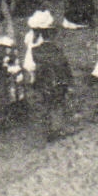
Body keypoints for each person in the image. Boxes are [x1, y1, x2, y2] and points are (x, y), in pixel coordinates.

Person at [26, 11, 71, 141]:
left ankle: (48, 128)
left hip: (42, 80)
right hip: (57, 81)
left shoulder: (34, 49)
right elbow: (63, 65)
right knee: (57, 104)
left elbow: (30, 65)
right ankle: (56, 128)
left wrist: (33, 76)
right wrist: (68, 81)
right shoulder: (55, 50)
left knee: (46, 103)